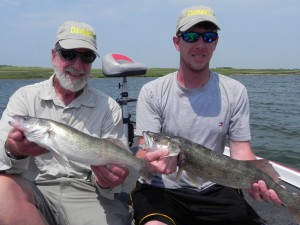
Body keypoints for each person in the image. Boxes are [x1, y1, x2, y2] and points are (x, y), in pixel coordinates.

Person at [131, 5, 282, 225]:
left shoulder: (235, 91)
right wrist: (151, 164)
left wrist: (259, 181)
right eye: (191, 36)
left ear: (215, 43)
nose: (200, 44)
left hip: (215, 188)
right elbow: (144, 150)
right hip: (162, 190)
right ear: (177, 42)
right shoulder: (152, 92)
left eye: (209, 37)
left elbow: (241, 151)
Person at [0, 21, 136, 225]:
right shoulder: (24, 98)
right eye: (69, 54)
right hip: (35, 189)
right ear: (54, 56)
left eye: (87, 57)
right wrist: (14, 151)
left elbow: (112, 183)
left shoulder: (109, 108)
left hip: (89, 196)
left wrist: (110, 181)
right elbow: (2, 162)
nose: (78, 65)